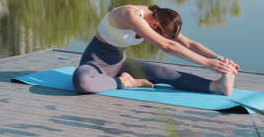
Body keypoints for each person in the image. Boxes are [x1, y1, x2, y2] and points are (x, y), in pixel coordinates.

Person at [72, 5, 240, 95]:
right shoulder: (130, 15)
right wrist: (206, 63)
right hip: (95, 63)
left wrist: (220, 59)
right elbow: (166, 45)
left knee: (166, 73)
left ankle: (217, 86)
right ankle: (127, 82)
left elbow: (188, 43)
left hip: (120, 64)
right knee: (82, 81)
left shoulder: (157, 18)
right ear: (154, 25)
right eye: (161, 33)